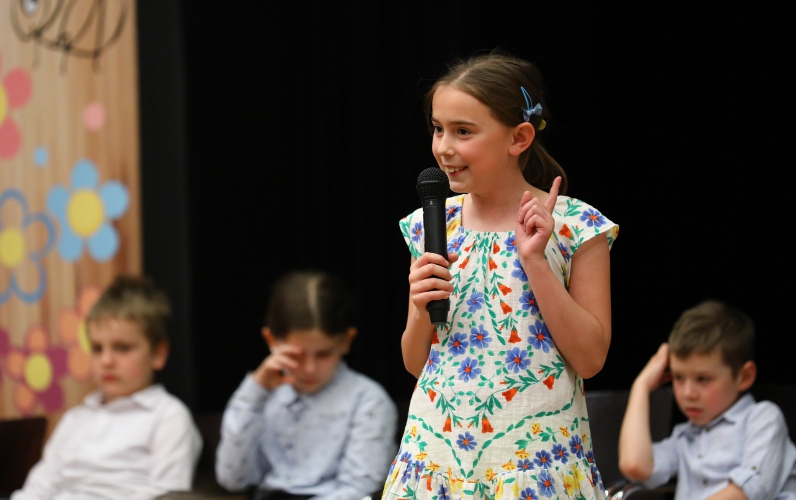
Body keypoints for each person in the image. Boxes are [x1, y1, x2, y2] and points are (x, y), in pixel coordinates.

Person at [384, 52, 619, 500]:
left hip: (534, 465)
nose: (444, 147)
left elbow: (590, 359)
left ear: (519, 137)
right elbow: (417, 364)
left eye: (463, 131)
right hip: (436, 459)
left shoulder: (575, 225)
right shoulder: (430, 226)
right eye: (438, 129)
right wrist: (419, 307)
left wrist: (535, 262)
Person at [11, 276, 202, 500]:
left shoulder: (168, 417)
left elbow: (168, 494)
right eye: (97, 348)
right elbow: (38, 488)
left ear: (158, 354)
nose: (106, 361)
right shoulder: (75, 419)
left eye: (122, 348)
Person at [215, 271, 398, 500]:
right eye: (297, 355)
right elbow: (233, 480)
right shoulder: (262, 396)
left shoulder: (367, 401)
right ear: (272, 341)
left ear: (346, 341)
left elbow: (358, 489)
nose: (310, 368)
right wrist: (254, 392)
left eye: (323, 354)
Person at [618, 300, 796, 499]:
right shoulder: (684, 436)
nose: (688, 393)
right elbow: (634, 465)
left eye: (702, 379)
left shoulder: (762, 419)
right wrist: (641, 386)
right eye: (678, 377)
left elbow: (746, 492)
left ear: (744, 377)